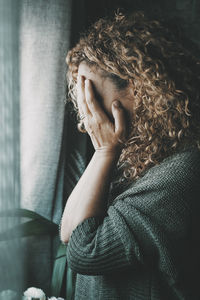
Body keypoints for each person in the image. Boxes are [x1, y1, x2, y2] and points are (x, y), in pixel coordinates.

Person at [60, 11, 200, 300]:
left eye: (94, 98)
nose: (90, 118)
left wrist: (105, 151)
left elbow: (85, 251)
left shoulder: (183, 170)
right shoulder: (137, 153)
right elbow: (68, 233)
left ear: (143, 90)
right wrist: (107, 152)